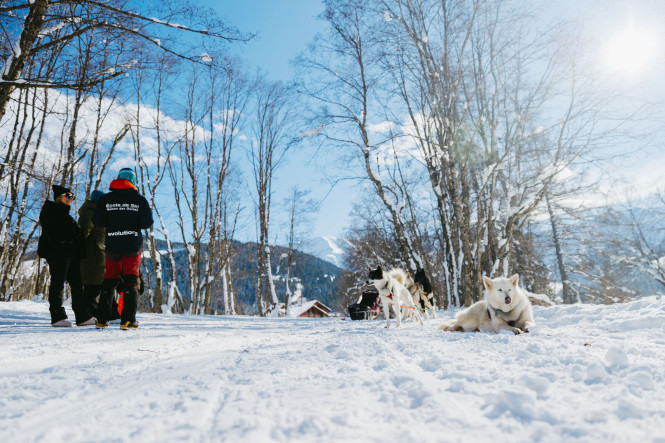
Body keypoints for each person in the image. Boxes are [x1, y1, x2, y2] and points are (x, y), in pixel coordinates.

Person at [93, 168, 153, 330]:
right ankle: (127, 320)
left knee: (110, 280)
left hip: (112, 245)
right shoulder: (140, 200)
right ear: (133, 181)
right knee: (131, 280)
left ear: (118, 179)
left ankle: (102, 319)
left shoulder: (105, 199)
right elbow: (147, 223)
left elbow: (98, 222)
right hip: (132, 245)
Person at [37, 185, 96, 327]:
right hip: (58, 253)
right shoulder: (50, 211)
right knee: (58, 283)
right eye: (67, 195)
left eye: (72, 196)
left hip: (71, 254)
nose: (71, 198)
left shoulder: (66, 215)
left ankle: (83, 316)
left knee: (77, 285)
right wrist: (70, 238)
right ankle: (57, 316)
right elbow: (54, 232)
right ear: (58, 197)